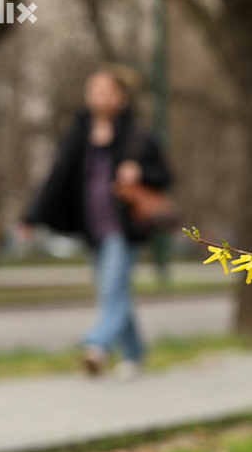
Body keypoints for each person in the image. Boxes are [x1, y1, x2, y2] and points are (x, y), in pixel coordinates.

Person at [20, 68, 172, 378]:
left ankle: (97, 345)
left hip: (124, 227)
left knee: (112, 288)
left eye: (106, 91)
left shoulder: (136, 134)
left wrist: (139, 172)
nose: (99, 97)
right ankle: (135, 355)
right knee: (114, 291)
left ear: (121, 97)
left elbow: (165, 175)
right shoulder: (79, 133)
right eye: (94, 91)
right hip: (93, 227)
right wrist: (31, 216)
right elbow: (58, 178)